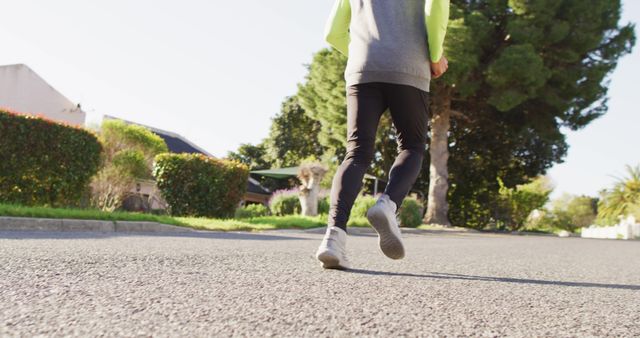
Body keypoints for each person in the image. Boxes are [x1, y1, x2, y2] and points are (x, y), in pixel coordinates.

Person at [315, 0, 450, 269]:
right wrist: (435, 56)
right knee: (411, 146)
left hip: (362, 68)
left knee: (356, 153)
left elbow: (332, 33)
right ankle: (387, 205)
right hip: (408, 65)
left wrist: (362, 53)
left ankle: (333, 238)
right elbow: (435, 9)